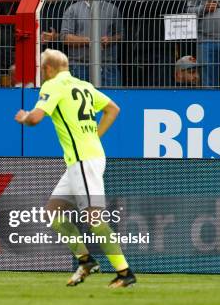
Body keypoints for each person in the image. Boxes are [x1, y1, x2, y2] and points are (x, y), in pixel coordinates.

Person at [14, 49, 136, 288]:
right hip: (82, 159)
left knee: (94, 218)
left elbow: (36, 118)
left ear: (48, 68)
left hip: (83, 161)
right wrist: (95, 137)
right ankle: (86, 260)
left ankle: (125, 273)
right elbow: (113, 109)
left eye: (42, 69)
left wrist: (24, 117)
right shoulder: (84, 86)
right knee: (53, 211)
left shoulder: (53, 85)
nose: (42, 74)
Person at [60, 0, 123, 86]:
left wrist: (110, 39)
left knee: (113, 97)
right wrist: (87, 41)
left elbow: (121, 35)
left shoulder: (112, 8)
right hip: (79, 65)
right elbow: (64, 38)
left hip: (107, 66)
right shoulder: (72, 9)